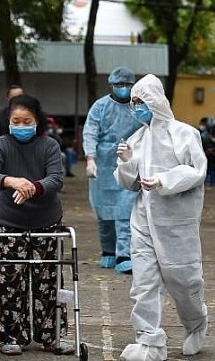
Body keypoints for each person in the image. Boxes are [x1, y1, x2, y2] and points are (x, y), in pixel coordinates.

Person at [114, 74, 208, 361]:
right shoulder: (137, 138)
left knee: (184, 282)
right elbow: (128, 183)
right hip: (143, 220)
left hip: (176, 223)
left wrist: (164, 180)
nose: (137, 107)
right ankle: (149, 341)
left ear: (155, 100)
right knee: (144, 284)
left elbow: (196, 170)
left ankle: (196, 324)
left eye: (141, 101)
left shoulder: (184, 133)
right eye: (133, 102)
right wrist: (127, 162)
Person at [0, 94, 70, 355]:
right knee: (9, 282)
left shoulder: (49, 145)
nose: (20, 125)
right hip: (11, 223)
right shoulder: (1, 144)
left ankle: (50, 336)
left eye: (26, 121)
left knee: (48, 281)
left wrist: (33, 187)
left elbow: (56, 179)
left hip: (46, 221)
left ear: (37, 121)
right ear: (8, 121)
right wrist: (11, 181)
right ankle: (11, 336)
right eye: (15, 121)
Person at [82, 66, 143, 274]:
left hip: (128, 163)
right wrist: (90, 159)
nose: (123, 88)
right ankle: (108, 251)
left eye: (127, 84)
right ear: (111, 85)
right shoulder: (100, 107)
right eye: (119, 85)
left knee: (125, 212)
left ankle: (124, 254)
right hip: (103, 166)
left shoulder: (138, 107)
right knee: (104, 213)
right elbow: (90, 132)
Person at [0, 84, 24, 149]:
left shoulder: (33, 113)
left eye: (20, 97)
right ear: (8, 99)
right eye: (14, 97)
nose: (18, 100)